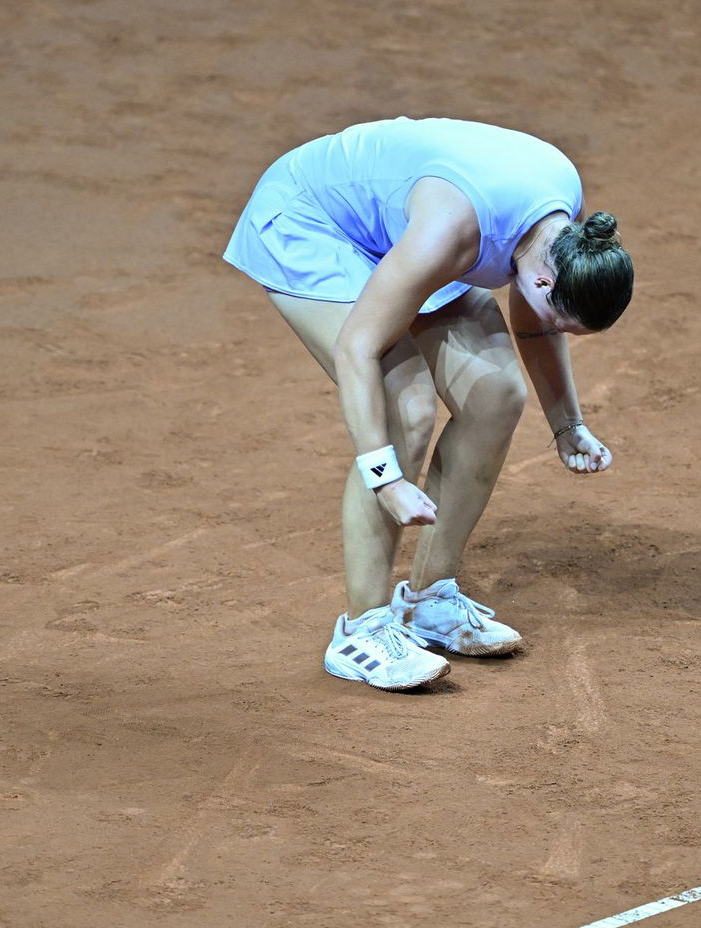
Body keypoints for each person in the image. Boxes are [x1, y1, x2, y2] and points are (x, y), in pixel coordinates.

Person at [223, 116, 634, 691]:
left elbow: (535, 319)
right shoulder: (450, 233)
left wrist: (568, 424)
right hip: (311, 220)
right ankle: (363, 630)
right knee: (406, 408)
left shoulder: (559, 233)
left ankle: (429, 602)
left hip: (405, 234)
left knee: (496, 395)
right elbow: (357, 349)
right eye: (561, 320)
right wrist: (386, 477)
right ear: (547, 284)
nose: (554, 331)